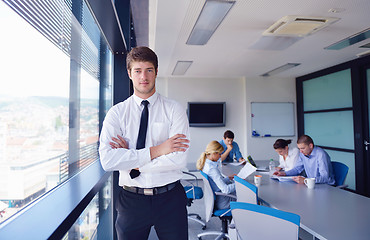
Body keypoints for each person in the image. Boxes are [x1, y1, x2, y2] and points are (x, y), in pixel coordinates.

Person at [99, 46, 190, 240]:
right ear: (129, 73)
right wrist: (159, 150)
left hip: (170, 198)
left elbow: (178, 160)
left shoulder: (174, 110)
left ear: (156, 72)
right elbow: (107, 161)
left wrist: (131, 160)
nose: (144, 77)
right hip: (131, 201)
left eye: (149, 70)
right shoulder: (117, 113)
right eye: (138, 71)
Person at [197, 141, 236, 209]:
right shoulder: (212, 169)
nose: (220, 156)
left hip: (218, 198)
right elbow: (225, 190)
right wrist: (239, 184)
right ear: (214, 153)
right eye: (220, 154)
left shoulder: (206, 164)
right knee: (247, 196)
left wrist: (228, 178)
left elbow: (215, 182)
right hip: (224, 202)